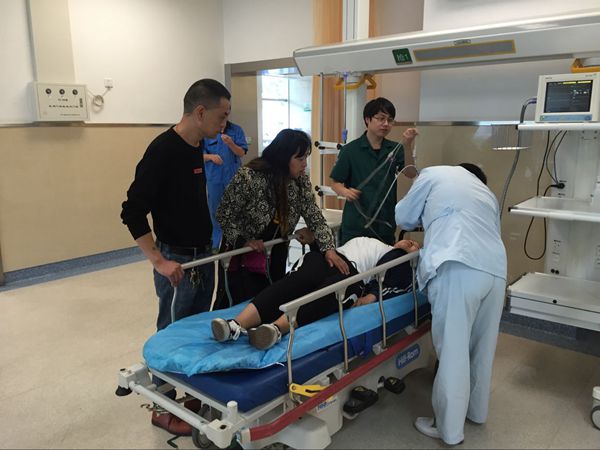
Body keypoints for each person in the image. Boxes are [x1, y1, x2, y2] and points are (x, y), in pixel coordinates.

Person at [120, 78, 232, 436]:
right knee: (170, 333)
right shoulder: (163, 150)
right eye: (221, 116)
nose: (225, 124)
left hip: (202, 257)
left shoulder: (196, 146)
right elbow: (131, 211)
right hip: (176, 261)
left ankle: (189, 393)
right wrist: (159, 261)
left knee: (197, 330)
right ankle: (161, 406)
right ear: (200, 112)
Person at [394, 163, 507, 446]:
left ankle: (448, 430)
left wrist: (427, 215)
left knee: (454, 350)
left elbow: (404, 217)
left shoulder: (432, 174)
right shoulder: (486, 193)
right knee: (482, 347)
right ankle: (476, 412)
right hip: (496, 269)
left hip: (458, 264)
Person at [211, 236, 420, 350]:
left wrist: (370, 297)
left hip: (354, 277)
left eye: (416, 246)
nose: (412, 243)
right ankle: (235, 325)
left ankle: (275, 328)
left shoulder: (403, 263)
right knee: (294, 283)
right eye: (410, 241)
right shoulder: (379, 244)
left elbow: (390, 284)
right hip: (329, 258)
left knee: (328, 292)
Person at [215, 128, 349, 305]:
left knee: (272, 299)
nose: (305, 164)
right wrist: (243, 241)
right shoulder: (249, 176)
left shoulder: (300, 181)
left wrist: (329, 249)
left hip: (276, 250)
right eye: (300, 159)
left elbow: (314, 216)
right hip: (243, 256)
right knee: (239, 303)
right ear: (283, 157)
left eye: (306, 158)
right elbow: (224, 214)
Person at [330, 97, 419, 245]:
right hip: (356, 224)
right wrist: (345, 192)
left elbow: (411, 173)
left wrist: (407, 145)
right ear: (367, 119)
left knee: (384, 258)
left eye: (390, 120)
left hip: (385, 224)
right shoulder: (350, 150)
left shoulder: (394, 148)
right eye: (381, 118)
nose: (386, 124)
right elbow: (335, 183)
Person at [203, 120, 248, 251]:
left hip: (233, 177)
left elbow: (242, 152)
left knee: (236, 210)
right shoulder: (207, 130)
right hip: (214, 178)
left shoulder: (236, 130)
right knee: (215, 211)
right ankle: (216, 244)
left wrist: (230, 143)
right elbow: (198, 155)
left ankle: (235, 242)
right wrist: (211, 157)